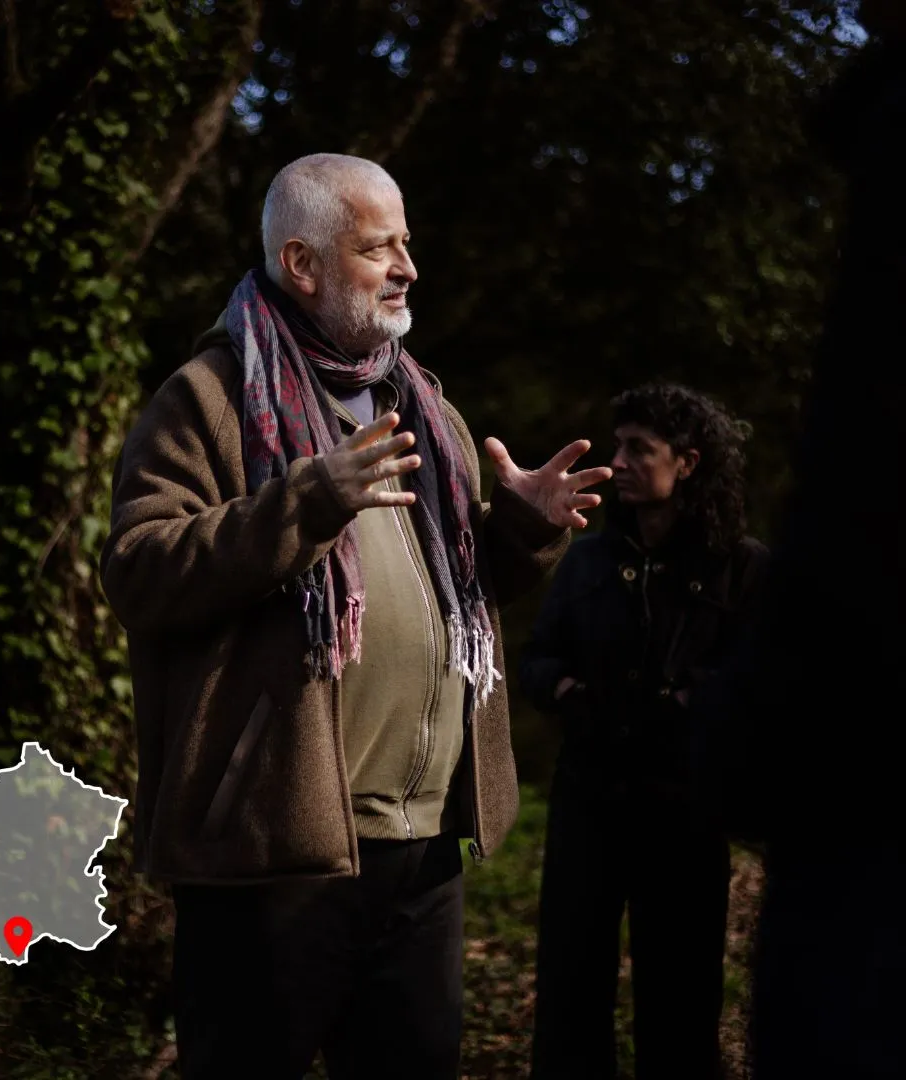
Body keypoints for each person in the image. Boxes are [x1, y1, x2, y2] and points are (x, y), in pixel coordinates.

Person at [99, 153, 612, 1080]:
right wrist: (303, 503)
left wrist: (526, 534)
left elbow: (451, 591)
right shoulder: (208, 398)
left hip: (423, 852)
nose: (409, 267)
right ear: (304, 264)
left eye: (406, 244)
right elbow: (140, 571)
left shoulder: (421, 403)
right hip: (274, 854)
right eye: (381, 248)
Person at [694, 5, 906, 1076]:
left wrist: (761, 724)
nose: (405, 264)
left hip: (872, 787)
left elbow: (872, 489)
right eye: (380, 244)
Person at [520, 383, 770, 1080]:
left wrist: (701, 699)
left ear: (687, 462)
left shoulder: (744, 567)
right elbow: (538, 658)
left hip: (685, 810)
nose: (620, 461)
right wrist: (566, 689)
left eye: (640, 448)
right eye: (618, 445)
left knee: (681, 1003)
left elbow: (767, 680)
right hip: (589, 802)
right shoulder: (592, 559)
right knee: (571, 993)